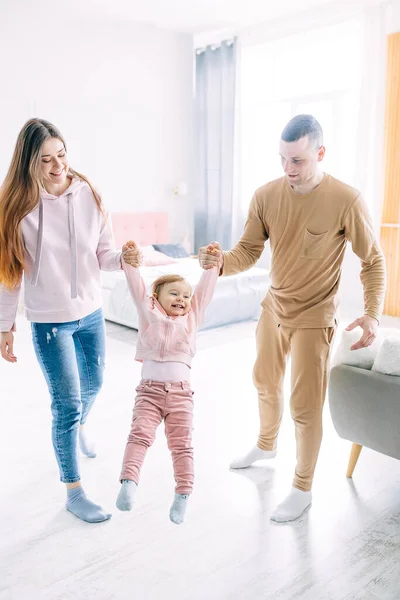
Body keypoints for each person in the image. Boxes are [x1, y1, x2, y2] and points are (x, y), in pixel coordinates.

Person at [199, 114, 386, 522]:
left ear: (320, 153)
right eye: (282, 159)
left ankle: (302, 487)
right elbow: (246, 253)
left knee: (305, 406)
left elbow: (372, 261)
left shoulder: (346, 200)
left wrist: (372, 314)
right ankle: (266, 443)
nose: (288, 169)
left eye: (297, 160)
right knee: (264, 380)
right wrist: (218, 263)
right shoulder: (266, 195)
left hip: (315, 316)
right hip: (273, 307)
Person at [0, 118, 125, 523]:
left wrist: (127, 259)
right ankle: (73, 491)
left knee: (96, 384)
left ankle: (77, 427)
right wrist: (5, 325)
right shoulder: (17, 208)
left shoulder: (88, 193)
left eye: (62, 155)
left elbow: (105, 255)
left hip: (90, 312)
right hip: (50, 322)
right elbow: (10, 273)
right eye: (46, 160)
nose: (58, 167)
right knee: (67, 404)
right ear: (28, 164)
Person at [116, 241, 220, 524]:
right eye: (174, 293)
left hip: (180, 396)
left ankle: (183, 494)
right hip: (148, 393)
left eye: (185, 295)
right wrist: (130, 261)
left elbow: (203, 293)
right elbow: (136, 285)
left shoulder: (192, 318)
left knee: (181, 446)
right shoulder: (147, 314)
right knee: (139, 437)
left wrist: (212, 265)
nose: (182, 299)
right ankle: (129, 483)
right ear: (156, 298)